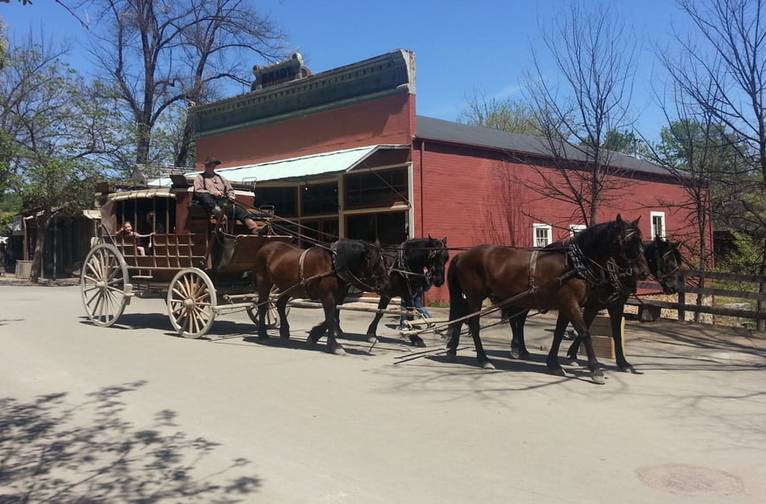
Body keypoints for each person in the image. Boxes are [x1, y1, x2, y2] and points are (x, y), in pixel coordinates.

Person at [193, 157, 266, 234]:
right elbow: (198, 191)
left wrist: (231, 196)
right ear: (206, 166)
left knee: (239, 209)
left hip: (222, 202)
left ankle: (254, 228)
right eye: (210, 164)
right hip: (209, 203)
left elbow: (230, 190)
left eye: (214, 164)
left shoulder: (221, 178)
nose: (212, 166)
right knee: (205, 197)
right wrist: (212, 192)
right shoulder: (199, 177)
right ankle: (218, 212)